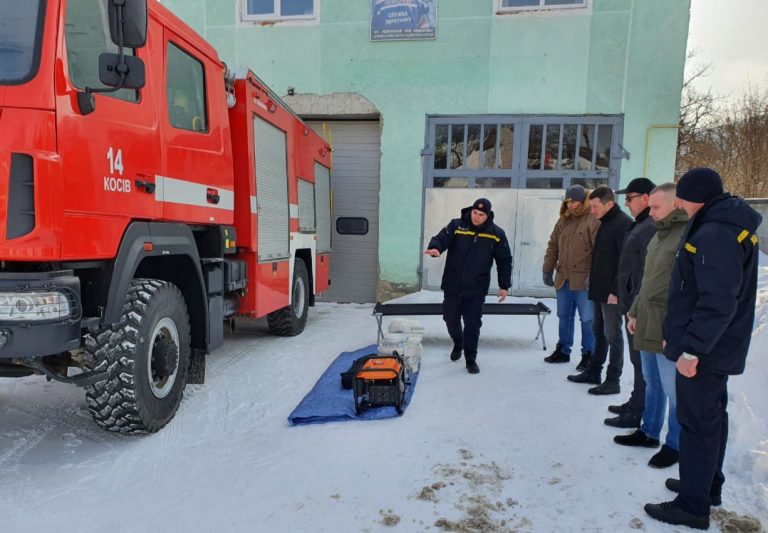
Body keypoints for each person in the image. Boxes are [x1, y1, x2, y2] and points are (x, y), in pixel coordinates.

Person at [645, 168, 761, 530]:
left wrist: (692, 350)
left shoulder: (714, 233)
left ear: (697, 196)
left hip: (706, 351)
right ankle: (706, 485)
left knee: (696, 424)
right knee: (711, 420)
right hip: (715, 347)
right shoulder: (721, 223)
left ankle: (693, 506)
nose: (678, 202)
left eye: (681, 195)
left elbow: (717, 301)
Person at [614, 183, 687, 469]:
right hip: (645, 318)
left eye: (657, 207)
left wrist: (676, 330)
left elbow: (685, 290)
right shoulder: (659, 235)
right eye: (651, 207)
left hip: (666, 325)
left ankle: (675, 444)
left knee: (673, 390)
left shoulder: (684, 236)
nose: (651, 212)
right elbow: (647, 281)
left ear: (675, 204)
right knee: (652, 382)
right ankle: (649, 432)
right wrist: (633, 312)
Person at [424, 198, 512, 374]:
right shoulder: (457, 226)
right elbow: (442, 238)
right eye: (474, 213)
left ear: (487, 216)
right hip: (453, 285)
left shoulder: (496, 233)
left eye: (481, 214)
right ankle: (458, 343)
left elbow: (504, 260)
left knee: (472, 324)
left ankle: (471, 359)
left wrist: (504, 285)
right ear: (470, 211)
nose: (476, 217)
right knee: (450, 319)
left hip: (476, 288)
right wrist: (435, 248)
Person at [567, 186, 632, 394]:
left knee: (613, 334)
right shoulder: (605, 222)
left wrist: (616, 291)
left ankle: (613, 379)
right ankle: (594, 371)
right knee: (598, 331)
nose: (592, 210)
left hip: (611, 293)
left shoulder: (622, 224)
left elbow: (625, 262)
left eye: (595, 207)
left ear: (609, 204)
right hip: (598, 288)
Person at [604, 177, 657, 428]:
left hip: (640, 307)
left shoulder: (649, 227)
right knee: (638, 362)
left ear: (646, 198)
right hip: (631, 303)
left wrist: (635, 303)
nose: (627, 203)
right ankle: (635, 402)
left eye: (630, 198)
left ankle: (638, 411)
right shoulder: (641, 224)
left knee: (641, 363)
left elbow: (647, 272)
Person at [542, 184, 600, 370]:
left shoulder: (592, 219)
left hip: (584, 280)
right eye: (568, 202)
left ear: (583, 201)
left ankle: (588, 354)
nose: (570, 205)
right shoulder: (563, 221)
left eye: (574, 202)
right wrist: (547, 269)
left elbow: (599, 250)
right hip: (563, 277)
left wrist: (594, 275)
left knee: (587, 318)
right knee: (564, 316)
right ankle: (563, 350)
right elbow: (553, 247)